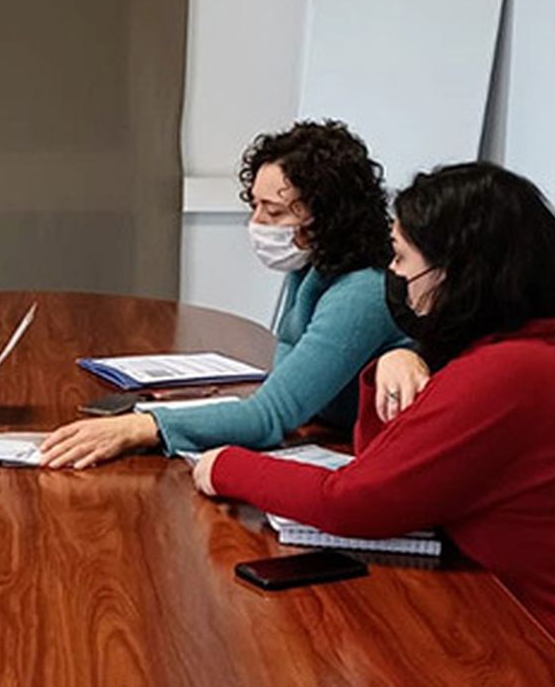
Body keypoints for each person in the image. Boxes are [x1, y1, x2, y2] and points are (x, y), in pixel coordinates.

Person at [192, 162, 555, 663]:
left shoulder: (510, 374)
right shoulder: (523, 350)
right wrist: (397, 359)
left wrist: (227, 466)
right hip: (528, 628)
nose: (394, 274)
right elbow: (391, 467)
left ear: (456, 273)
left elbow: (354, 502)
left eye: (402, 258)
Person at [40, 121, 406, 469]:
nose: (257, 224)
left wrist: (142, 427)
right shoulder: (313, 265)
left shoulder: (362, 291)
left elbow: (271, 414)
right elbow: (287, 376)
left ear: (328, 217)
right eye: (255, 206)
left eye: (274, 212)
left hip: (362, 453)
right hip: (328, 432)